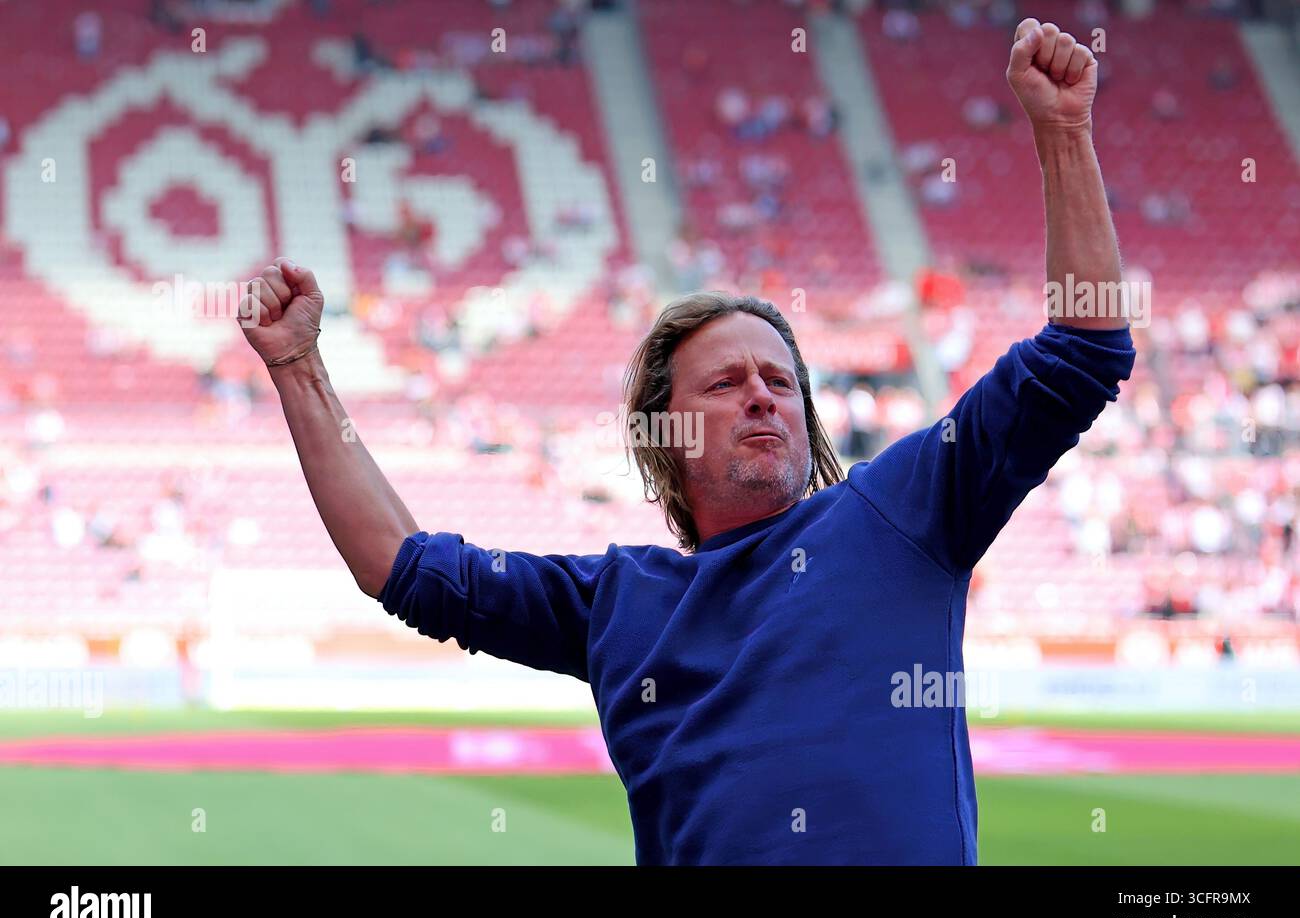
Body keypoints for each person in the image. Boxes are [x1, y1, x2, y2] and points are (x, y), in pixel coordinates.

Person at [235, 19, 1132, 864]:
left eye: (781, 382)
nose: (762, 397)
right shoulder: (616, 600)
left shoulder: (898, 513)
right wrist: (300, 369)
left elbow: (1084, 354)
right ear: (665, 434)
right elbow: (401, 567)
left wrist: (1064, 130)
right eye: (725, 382)